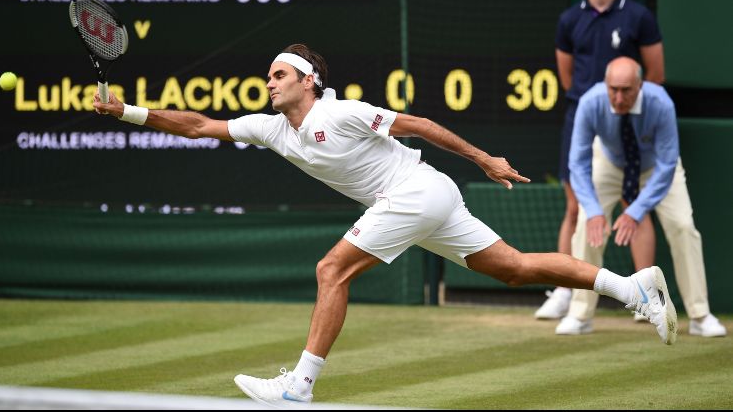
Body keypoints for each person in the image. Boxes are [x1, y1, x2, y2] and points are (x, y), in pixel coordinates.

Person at [94, 44, 678, 407]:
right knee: (516, 270)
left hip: (418, 191)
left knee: (330, 269)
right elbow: (198, 126)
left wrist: (483, 159)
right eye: (268, 76)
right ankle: (635, 287)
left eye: (279, 75)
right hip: (426, 202)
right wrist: (126, 111)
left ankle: (300, 385)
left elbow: (419, 124)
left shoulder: (340, 112)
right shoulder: (271, 129)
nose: (269, 83)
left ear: (307, 81)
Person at [536, 0, 664, 322]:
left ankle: (645, 297)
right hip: (583, 118)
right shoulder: (569, 19)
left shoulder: (637, 16)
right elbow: (566, 75)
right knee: (575, 207)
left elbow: (655, 74)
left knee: (633, 205)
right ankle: (565, 290)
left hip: (627, 123)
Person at [559, 56, 726, 338]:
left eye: (626, 90)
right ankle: (580, 313)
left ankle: (700, 315)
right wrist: (593, 209)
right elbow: (578, 163)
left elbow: (667, 165)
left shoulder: (660, 103)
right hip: (609, 164)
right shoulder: (590, 102)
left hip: (657, 168)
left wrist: (635, 211)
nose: (618, 96)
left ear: (641, 85)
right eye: (613, 89)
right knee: (587, 224)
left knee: (683, 227)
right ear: (605, 85)